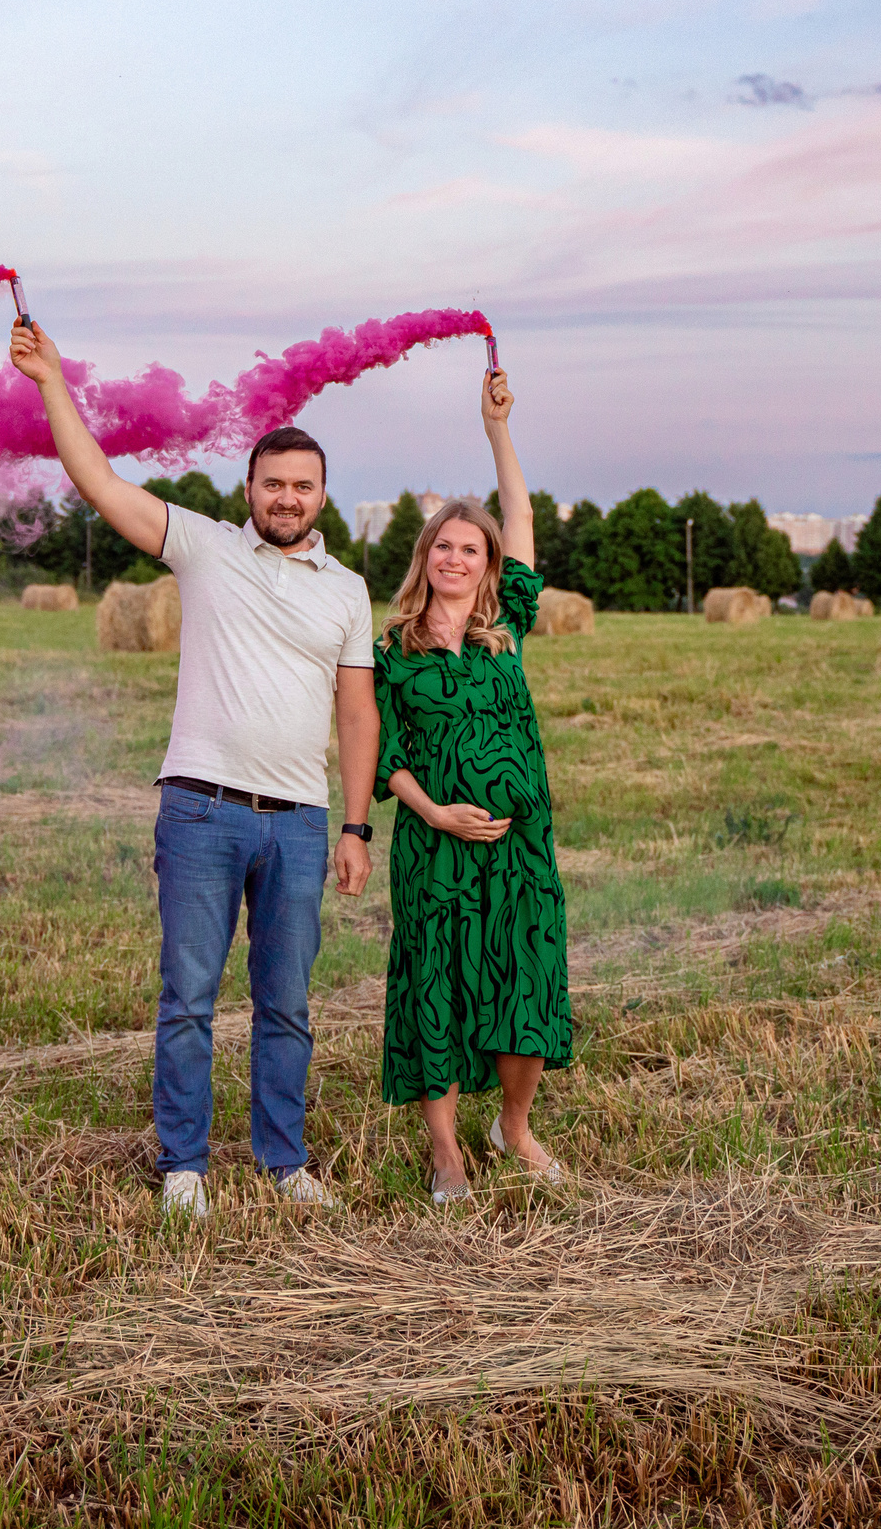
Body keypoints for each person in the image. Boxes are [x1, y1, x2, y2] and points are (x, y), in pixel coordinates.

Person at [9, 317, 379, 1217]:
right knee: (188, 996)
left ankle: (284, 1161)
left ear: (323, 495)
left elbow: (357, 709)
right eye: (274, 483)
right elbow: (98, 483)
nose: (288, 497)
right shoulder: (204, 545)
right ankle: (185, 1167)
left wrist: (357, 825)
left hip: (298, 821)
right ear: (247, 487)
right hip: (202, 810)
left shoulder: (347, 590)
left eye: (304, 486)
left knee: (286, 1002)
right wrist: (54, 383)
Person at [372, 367, 571, 1202]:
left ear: (488, 564)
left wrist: (498, 430)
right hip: (434, 848)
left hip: (521, 849)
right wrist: (437, 814)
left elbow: (521, 518)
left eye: (471, 548)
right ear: (425, 558)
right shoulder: (391, 650)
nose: (456, 557)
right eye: (443, 546)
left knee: (528, 982)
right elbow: (385, 758)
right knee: (439, 990)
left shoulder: (507, 631)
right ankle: (447, 1151)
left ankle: (513, 1127)